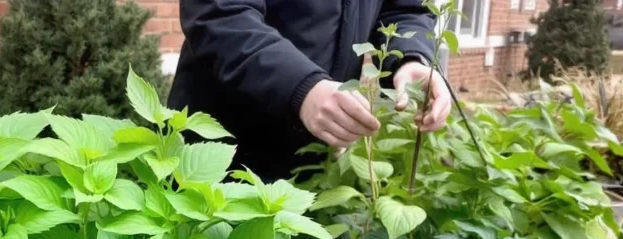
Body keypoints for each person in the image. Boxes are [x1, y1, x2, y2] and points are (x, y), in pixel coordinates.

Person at [168, 0, 453, 179]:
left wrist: (410, 57)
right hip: (220, 150)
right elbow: (220, 13)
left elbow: (403, 8)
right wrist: (300, 87)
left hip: (315, 157)